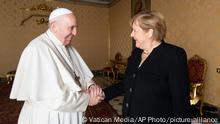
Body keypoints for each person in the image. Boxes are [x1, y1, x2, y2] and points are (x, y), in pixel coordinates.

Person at [10, 8, 104, 124]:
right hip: (50, 117)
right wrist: (87, 99)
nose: (75, 33)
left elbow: (80, 75)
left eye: (76, 28)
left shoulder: (67, 46)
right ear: (54, 26)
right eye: (71, 28)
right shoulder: (36, 49)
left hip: (71, 113)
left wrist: (91, 86)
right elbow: (52, 99)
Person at [104, 10, 191, 122]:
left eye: (135, 30)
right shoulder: (136, 54)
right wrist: (102, 94)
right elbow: (127, 83)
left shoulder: (173, 55)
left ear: (149, 32)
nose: (131, 34)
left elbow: (181, 101)